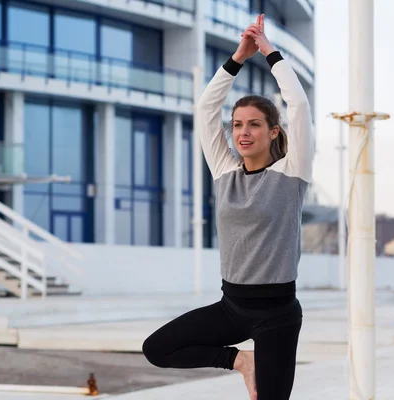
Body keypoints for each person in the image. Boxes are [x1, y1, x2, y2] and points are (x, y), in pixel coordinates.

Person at [141, 14, 314, 400]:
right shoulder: (224, 171)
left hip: (278, 314)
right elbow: (205, 109)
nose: (243, 133)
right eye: (237, 125)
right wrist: (238, 58)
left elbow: (299, 106)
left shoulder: (292, 173)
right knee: (156, 348)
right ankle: (240, 361)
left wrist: (270, 53)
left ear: (273, 131)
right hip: (231, 307)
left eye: (254, 125)